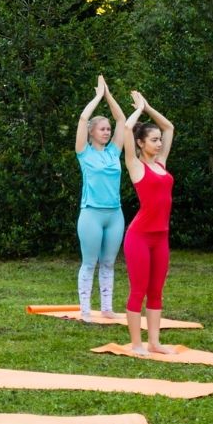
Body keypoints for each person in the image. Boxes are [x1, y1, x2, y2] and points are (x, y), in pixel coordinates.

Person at [118, 89, 176, 356]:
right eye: (154, 140)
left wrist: (149, 107)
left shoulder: (161, 164)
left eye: (160, 140)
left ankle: (154, 342)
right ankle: (137, 343)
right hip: (139, 237)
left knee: (156, 290)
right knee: (138, 289)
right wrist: (138, 110)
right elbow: (127, 127)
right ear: (141, 143)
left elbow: (169, 126)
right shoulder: (135, 165)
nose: (160, 142)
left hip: (160, 236)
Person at [74, 75, 129, 322]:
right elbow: (83, 118)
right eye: (103, 129)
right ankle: (85, 309)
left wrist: (108, 95)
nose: (107, 132)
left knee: (108, 262)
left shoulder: (114, 151)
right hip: (91, 214)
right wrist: (97, 97)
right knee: (90, 262)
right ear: (92, 132)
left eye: (108, 129)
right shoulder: (83, 152)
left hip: (114, 214)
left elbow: (121, 120)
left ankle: (106, 307)